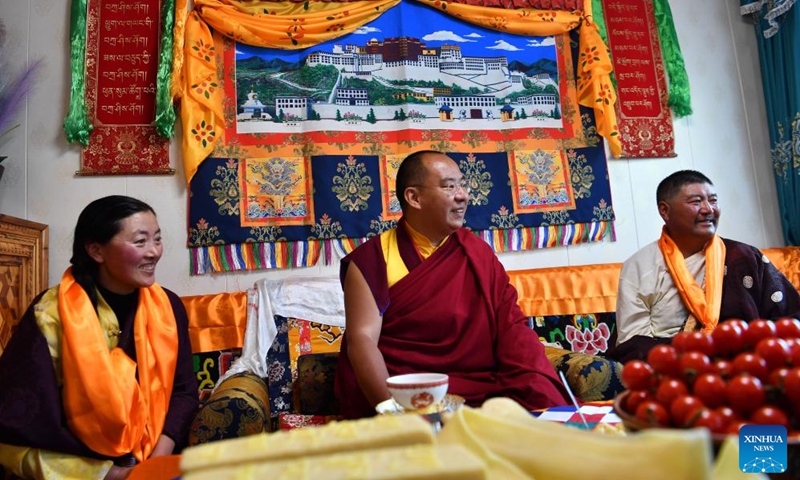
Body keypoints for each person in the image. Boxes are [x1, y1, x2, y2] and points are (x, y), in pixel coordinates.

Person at [333, 150, 569, 419]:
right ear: (414, 197)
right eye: (449, 186)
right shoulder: (373, 259)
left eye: (462, 185)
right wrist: (396, 414)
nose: (463, 195)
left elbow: (511, 328)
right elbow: (362, 340)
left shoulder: (476, 254)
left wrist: (537, 385)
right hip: (409, 395)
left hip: (479, 394)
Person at [0, 196, 199, 480]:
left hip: (151, 454)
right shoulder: (51, 312)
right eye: (140, 241)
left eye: (157, 239)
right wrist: (109, 474)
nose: (154, 252)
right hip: (78, 463)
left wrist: (152, 464)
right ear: (96, 250)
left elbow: (183, 392)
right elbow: (21, 417)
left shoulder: (168, 307)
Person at [610, 170, 800, 363]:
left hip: (748, 364)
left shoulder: (743, 256)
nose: (709, 209)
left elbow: (789, 319)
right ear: (665, 211)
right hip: (678, 367)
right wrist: (702, 351)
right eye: (696, 201)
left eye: (713, 200)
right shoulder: (639, 266)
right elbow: (632, 344)